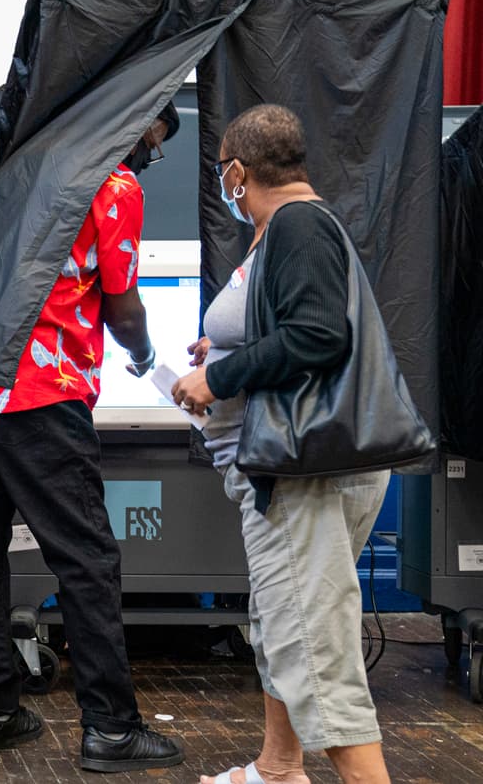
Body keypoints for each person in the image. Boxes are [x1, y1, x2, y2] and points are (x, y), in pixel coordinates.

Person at [0, 105, 185, 772]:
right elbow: (123, 304)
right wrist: (144, 349)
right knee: (87, 557)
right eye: (154, 140)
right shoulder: (114, 183)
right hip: (39, 387)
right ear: (136, 114)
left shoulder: (22, 161)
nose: (150, 156)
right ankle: (110, 726)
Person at [171, 104, 392, 784]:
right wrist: (229, 344)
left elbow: (321, 337)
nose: (222, 185)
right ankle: (277, 768)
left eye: (222, 174)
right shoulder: (287, 231)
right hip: (290, 476)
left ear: (238, 171)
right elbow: (295, 325)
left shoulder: (297, 225)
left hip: (303, 478)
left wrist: (220, 376)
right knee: (281, 623)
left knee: (316, 656)